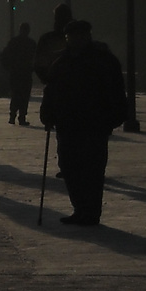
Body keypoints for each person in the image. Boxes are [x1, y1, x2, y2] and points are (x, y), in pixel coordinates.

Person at [38, 19, 128, 225]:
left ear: (87, 36)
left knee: (92, 169)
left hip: (94, 124)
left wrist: (113, 118)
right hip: (67, 123)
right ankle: (80, 208)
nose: (75, 40)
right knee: (69, 167)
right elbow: (51, 90)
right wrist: (47, 112)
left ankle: (91, 212)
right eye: (71, 37)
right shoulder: (61, 61)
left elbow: (116, 90)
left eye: (79, 36)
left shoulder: (103, 60)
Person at [0, 22, 36, 125]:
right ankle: (22, 116)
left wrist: (8, 67)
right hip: (25, 73)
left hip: (15, 73)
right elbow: (36, 58)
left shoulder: (13, 42)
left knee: (16, 95)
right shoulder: (31, 43)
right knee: (24, 96)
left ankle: (13, 116)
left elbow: (4, 56)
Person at [34, 3, 73, 85]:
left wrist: (47, 79)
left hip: (54, 84)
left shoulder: (47, 38)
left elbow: (39, 64)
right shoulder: (77, 38)